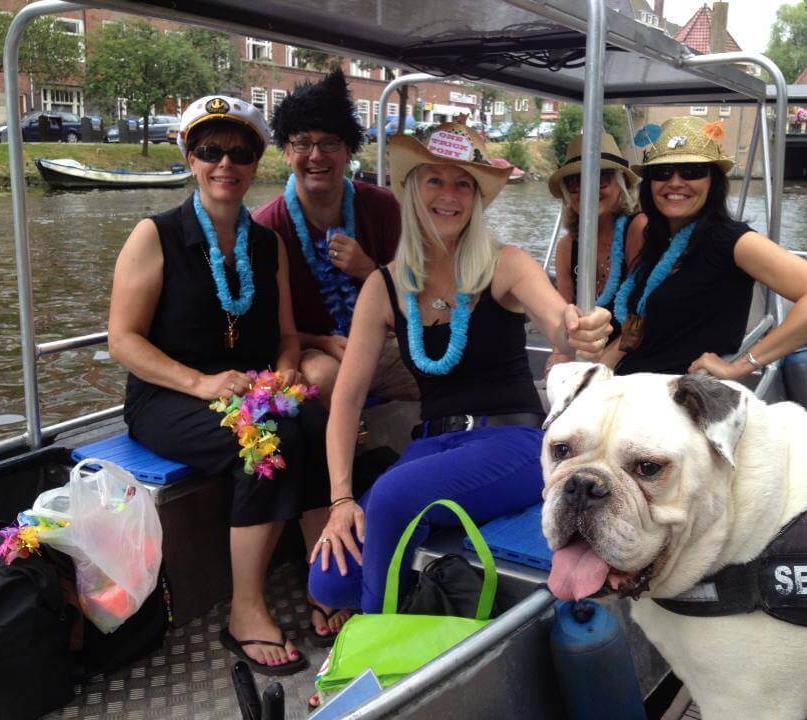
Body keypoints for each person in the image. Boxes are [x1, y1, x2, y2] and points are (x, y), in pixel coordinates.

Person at [306, 123, 612, 616]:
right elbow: (346, 398)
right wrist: (341, 500)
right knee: (329, 580)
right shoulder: (384, 286)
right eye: (435, 180)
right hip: (432, 447)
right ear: (413, 189)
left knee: (392, 497)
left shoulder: (506, 264)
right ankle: (414, 603)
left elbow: (559, 322)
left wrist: (579, 328)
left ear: (476, 198)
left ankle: (377, 640)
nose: (449, 195)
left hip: (512, 444)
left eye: (463, 184)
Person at [108, 95, 327, 675]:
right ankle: (245, 610)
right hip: (169, 396)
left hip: (248, 391)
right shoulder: (155, 235)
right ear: (191, 158)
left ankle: (323, 577)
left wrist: (286, 368)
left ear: (255, 165)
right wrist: (200, 383)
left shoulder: (266, 244)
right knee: (267, 438)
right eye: (210, 151)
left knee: (314, 419)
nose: (225, 163)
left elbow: (286, 336)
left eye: (240, 153)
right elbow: (123, 340)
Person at [612, 116, 807, 377]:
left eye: (692, 171)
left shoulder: (730, 239)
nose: (675, 182)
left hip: (680, 393)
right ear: (650, 184)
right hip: (629, 384)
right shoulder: (657, 240)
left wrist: (741, 366)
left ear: (712, 181)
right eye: (662, 172)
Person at [253, 69, 418, 410]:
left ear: (348, 151)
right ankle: (350, 445)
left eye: (329, 143)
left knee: (440, 364)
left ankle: (445, 436)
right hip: (309, 349)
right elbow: (263, 329)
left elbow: (415, 300)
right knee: (324, 376)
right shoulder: (266, 226)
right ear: (286, 152)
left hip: (380, 339)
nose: (316, 156)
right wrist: (322, 342)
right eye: (303, 143)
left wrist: (369, 271)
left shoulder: (383, 207)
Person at [547, 131, 646, 372]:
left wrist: (602, 366)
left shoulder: (638, 229)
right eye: (575, 182)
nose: (587, 189)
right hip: (587, 355)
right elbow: (563, 315)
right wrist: (559, 356)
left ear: (621, 184)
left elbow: (644, 315)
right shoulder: (567, 246)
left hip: (636, 356)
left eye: (602, 178)